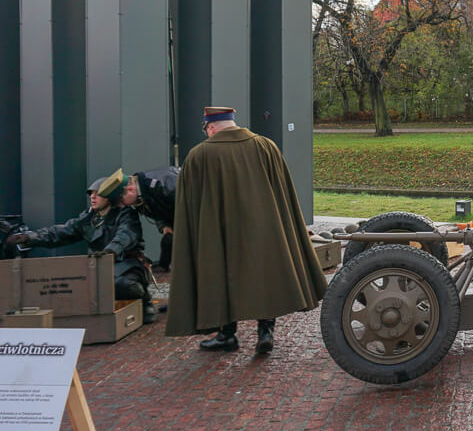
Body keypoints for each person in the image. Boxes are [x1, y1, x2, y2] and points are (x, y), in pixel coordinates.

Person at [166, 106, 327, 354]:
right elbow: (283, 193)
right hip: (265, 231)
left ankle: (226, 335)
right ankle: (266, 332)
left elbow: (190, 206)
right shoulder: (265, 146)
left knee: (220, 277)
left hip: (219, 234)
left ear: (210, 128)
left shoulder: (199, 155)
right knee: (264, 276)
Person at [4, 172, 156, 324]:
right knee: (78, 284)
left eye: (98, 194)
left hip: (128, 265)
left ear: (110, 196)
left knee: (121, 284)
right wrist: (29, 237)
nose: (93, 197)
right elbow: (61, 232)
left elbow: (125, 235)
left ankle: (144, 299)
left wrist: (111, 251)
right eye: (91, 194)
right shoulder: (88, 218)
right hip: (100, 265)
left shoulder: (126, 215)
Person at [120, 167, 179, 271]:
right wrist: (164, 226)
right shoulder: (139, 197)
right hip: (180, 218)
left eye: (119, 199)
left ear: (130, 190)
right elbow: (157, 212)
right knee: (168, 240)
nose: (120, 204)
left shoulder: (163, 183)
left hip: (196, 215)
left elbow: (190, 204)